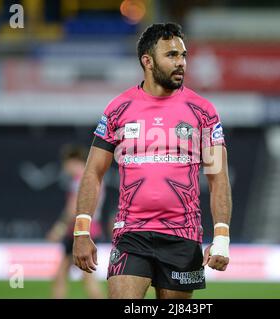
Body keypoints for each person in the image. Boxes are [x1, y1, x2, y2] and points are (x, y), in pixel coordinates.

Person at [72, 23, 232, 299]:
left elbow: (218, 177)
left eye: (183, 55)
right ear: (147, 61)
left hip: (184, 236)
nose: (181, 63)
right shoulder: (118, 109)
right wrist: (81, 231)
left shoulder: (203, 112)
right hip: (131, 234)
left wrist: (222, 238)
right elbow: (92, 173)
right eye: (171, 55)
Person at [47, 144, 105, 299]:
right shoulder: (94, 178)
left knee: (75, 276)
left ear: (73, 161)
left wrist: (59, 228)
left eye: (66, 163)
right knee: (75, 275)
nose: (65, 167)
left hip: (79, 231)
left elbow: (73, 208)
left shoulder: (81, 179)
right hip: (92, 229)